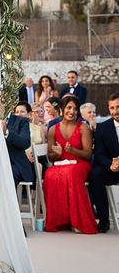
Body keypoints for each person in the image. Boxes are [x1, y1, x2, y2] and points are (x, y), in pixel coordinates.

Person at [43, 96, 97, 234]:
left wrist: (72, 150)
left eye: (74, 109)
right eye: (68, 108)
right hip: (61, 163)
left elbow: (88, 155)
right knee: (49, 174)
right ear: (62, 109)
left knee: (71, 173)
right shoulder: (53, 130)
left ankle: (77, 221)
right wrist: (58, 153)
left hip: (80, 164)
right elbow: (50, 157)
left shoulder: (83, 128)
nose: (71, 111)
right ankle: (60, 220)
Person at [89, 93, 119, 233]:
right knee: (96, 174)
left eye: (118, 107)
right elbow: (99, 153)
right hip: (112, 170)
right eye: (112, 108)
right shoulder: (103, 127)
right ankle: (104, 219)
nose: (115, 111)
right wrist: (110, 165)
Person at [4, 102, 33, 187]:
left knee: (7, 173)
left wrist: (6, 133)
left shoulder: (21, 120)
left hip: (16, 164)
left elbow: (25, 142)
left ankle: (9, 201)